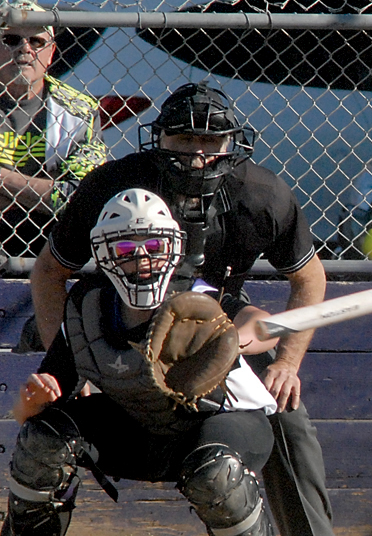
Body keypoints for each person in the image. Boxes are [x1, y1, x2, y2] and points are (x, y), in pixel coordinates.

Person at [29, 82, 334, 536]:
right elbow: (49, 273)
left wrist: (287, 363)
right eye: (184, 139)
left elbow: (309, 279)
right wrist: (76, 362)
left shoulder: (260, 194)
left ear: (232, 143)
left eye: (210, 141)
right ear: (160, 140)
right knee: (45, 437)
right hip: (124, 318)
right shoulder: (115, 187)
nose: (197, 154)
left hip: (215, 322)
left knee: (286, 415)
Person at [3, 188, 279, 536]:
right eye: (125, 249)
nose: (142, 259)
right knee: (43, 439)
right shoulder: (89, 309)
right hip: (140, 431)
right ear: (105, 254)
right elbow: (27, 414)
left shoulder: (196, 300)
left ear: (172, 249)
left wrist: (230, 338)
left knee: (215, 475)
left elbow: (263, 326)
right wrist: (32, 401)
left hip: (218, 426)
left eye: (153, 247)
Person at [0, 0, 106, 258]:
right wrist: (41, 191)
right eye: (11, 39)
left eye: (36, 41)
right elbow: (59, 193)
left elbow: (78, 198)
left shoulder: (79, 110)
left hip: (50, 243)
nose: (24, 49)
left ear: (52, 52)